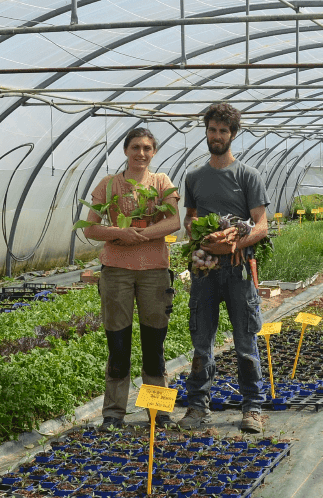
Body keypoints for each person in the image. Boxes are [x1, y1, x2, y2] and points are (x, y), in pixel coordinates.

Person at [178, 103, 271, 433]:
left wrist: (234, 242)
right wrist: (200, 234)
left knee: (245, 343)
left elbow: (262, 225)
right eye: (212, 130)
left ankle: (252, 408)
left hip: (238, 270)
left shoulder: (248, 175)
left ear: (233, 134)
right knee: (202, 342)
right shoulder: (194, 177)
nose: (216, 136)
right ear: (206, 132)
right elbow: (190, 218)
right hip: (205, 270)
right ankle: (196, 408)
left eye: (223, 131)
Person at [81, 127, 181, 429]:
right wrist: (119, 233)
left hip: (154, 272)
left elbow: (174, 221)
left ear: (154, 152)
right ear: (125, 150)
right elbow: (90, 228)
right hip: (116, 271)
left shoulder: (161, 183)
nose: (141, 153)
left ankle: (158, 411)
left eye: (147, 148)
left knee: (154, 343)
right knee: (118, 343)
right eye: (135, 147)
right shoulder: (109, 185)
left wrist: (139, 235)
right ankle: (113, 413)